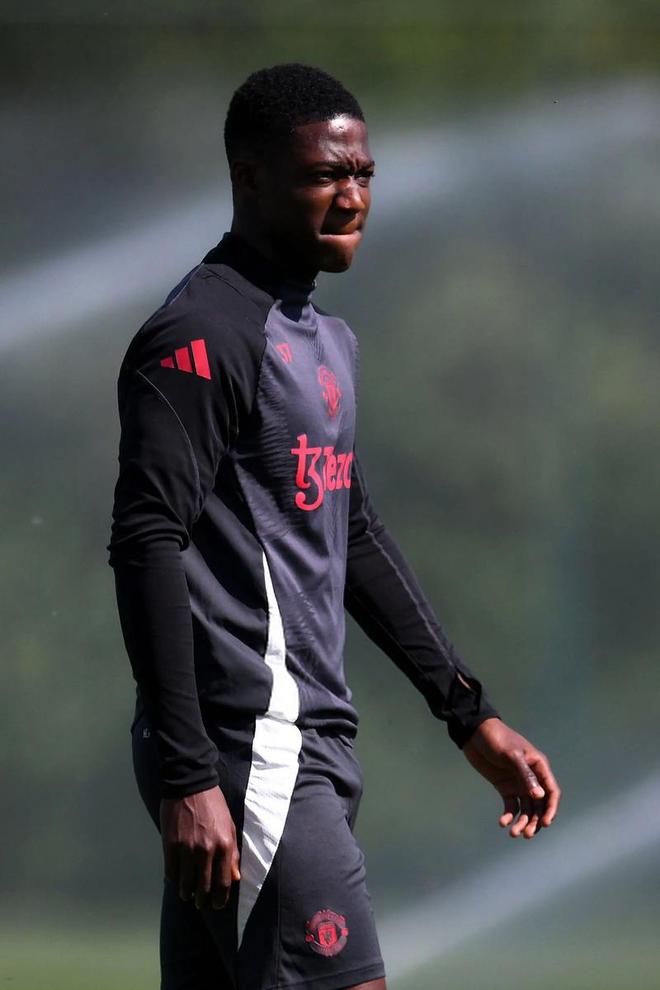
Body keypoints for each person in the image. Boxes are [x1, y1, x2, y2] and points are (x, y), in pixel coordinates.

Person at [108, 63, 561, 990]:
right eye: (324, 175)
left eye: (363, 174)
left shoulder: (325, 338)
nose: (351, 197)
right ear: (249, 179)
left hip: (299, 745)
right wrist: (190, 774)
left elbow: (352, 533)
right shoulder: (203, 334)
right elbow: (147, 540)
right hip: (251, 749)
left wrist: (468, 713)